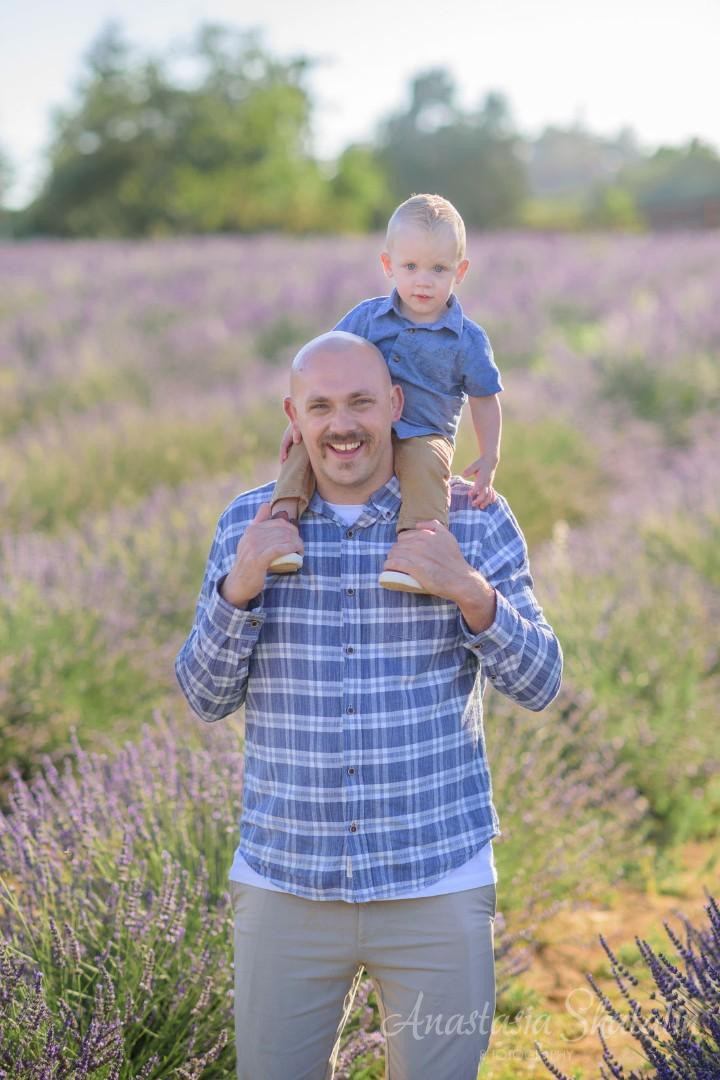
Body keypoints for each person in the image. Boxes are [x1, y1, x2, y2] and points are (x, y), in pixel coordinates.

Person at [175, 332, 562, 1080]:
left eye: (360, 401)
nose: (342, 424)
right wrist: (238, 589)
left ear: (395, 404)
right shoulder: (247, 524)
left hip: (436, 882)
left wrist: (470, 592)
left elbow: (542, 681)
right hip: (287, 883)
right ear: (294, 416)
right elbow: (204, 694)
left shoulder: (472, 518)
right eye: (320, 406)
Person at [268, 193, 503, 596]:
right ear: (388, 265)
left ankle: (418, 550)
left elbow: (484, 398)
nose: (423, 280)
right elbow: (321, 362)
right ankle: (282, 524)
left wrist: (489, 454)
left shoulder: (468, 339)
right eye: (410, 267)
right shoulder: (367, 317)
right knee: (303, 448)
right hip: (361, 423)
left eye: (438, 268)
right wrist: (301, 422)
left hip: (425, 432)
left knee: (425, 468)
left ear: (460, 271)